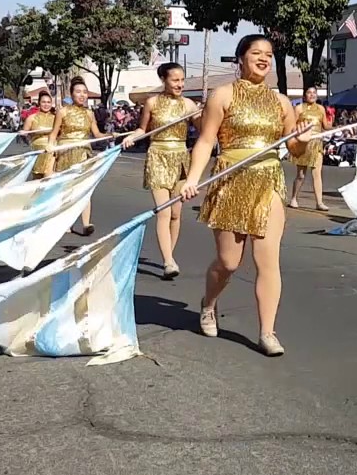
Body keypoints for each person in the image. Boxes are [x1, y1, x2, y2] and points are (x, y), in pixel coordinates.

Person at [181, 34, 315, 356]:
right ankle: (208, 303)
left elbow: (293, 147)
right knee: (229, 262)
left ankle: (267, 332)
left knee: (267, 261)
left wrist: (303, 139)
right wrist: (192, 179)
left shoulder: (282, 102)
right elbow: (205, 141)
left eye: (268, 54)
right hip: (230, 179)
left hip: (268, 180)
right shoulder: (222, 95)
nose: (264, 58)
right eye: (256, 52)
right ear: (241, 58)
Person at [123, 62, 197, 279]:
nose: (180, 84)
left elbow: (206, 129)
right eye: (175, 80)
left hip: (181, 159)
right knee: (164, 211)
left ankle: (169, 255)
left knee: (176, 214)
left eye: (182, 80)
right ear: (163, 80)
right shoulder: (152, 103)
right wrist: (131, 137)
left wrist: (206, 112)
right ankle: (168, 261)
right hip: (158, 156)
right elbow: (142, 129)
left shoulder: (189, 105)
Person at [47, 77, 103, 236]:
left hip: (84, 152)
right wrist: (51, 147)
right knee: (66, 190)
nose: (82, 95)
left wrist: (111, 135)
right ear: (71, 94)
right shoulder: (62, 111)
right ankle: (66, 222)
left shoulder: (90, 114)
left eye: (85, 92)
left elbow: (97, 134)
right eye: (78, 92)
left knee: (85, 188)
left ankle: (86, 224)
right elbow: (53, 134)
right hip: (66, 152)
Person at [288, 86, 329, 211]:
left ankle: (319, 202)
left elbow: (326, 126)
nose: (312, 95)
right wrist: (299, 135)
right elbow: (293, 127)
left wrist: (340, 127)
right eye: (309, 93)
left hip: (317, 143)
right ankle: (294, 198)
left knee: (317, 173)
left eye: (314, 93)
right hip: (304, 143)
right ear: (305, 95)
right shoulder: (299, 108)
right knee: (301, 174)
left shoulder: (321, 109)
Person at [23, 92, 56, 179]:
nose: (46, 104)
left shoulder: (56, 118)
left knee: (48, 178)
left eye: (49, 102)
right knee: (37, 180)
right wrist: (23, 134)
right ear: (39, 103)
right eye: (44, 102)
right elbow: (25, 134)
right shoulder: (31, 118)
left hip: (52, 150)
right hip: (37, 151)